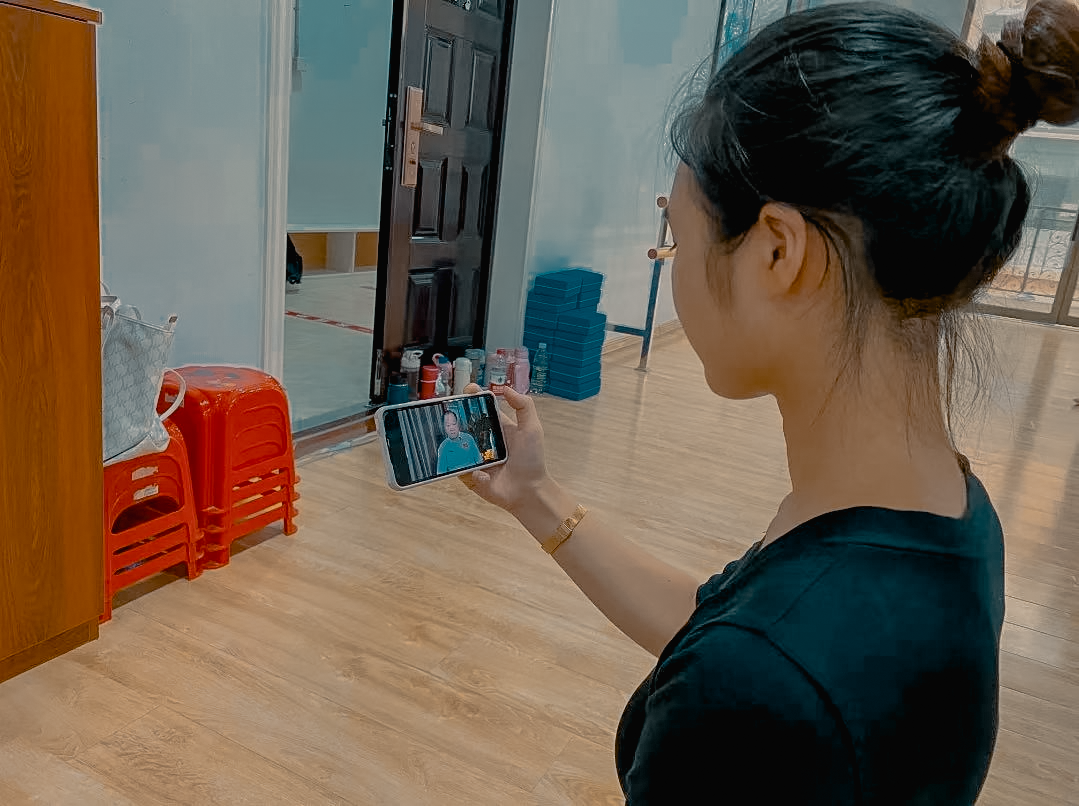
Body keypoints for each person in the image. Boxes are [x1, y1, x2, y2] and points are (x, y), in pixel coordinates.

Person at [460, 2, 1079, 803]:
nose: (675, 268)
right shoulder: (946, 516)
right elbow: (724, 621)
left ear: (778, 252)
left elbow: (749, 658)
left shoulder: (755, 689)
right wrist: (536, 495)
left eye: (679, 241)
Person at [436, 408, 483, 475]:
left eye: (454, 424)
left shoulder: (468, 438)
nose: (451, 428)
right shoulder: (443, 447)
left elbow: (479, 461)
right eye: (448, 425)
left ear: (458, 424)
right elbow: (440, 473)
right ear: (444, 428)